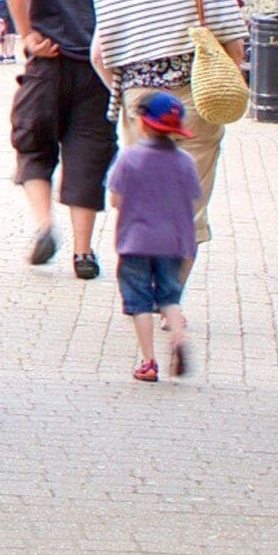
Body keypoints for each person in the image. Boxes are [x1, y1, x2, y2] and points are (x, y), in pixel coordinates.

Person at [89, 0, 248, 223]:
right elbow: (236, 49)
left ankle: (143, 249)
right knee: (191, 200)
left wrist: (128, 93)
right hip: (196, 96)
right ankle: (180, 253)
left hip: (141, 100)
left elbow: (97, 56)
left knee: (142, 195)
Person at [4, 0, 127, 280]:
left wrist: (27, 33)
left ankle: (44, 226)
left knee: (33, 143)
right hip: (96, 71)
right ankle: (83, 252)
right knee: (89, 156)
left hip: (47, 64)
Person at [108, 91, 201, 381]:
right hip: (172, 242)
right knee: (169, 297)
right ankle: (179, 337)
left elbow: (114, 199)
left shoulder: (129, 157)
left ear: (142, 123)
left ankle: (148, 361)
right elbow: (193, 200)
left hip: (135, 241)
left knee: (139, 302)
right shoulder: (185, 161)